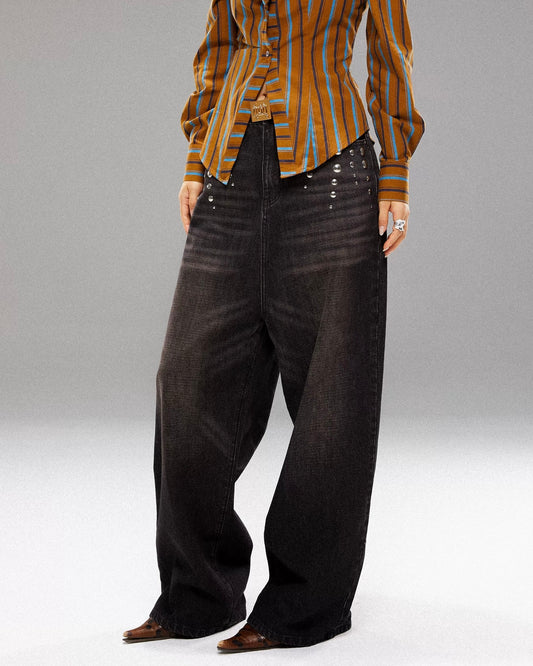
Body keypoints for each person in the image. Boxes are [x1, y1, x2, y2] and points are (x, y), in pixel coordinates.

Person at [123, 0, 425, 652]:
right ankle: (198, 594)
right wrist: (196, 157)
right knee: (185, 385)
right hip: (228, 172)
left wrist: (395, 172)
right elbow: (219, 48)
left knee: (332, 401)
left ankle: (303, 606)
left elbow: (388, 52)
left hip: (332, 177)